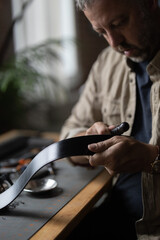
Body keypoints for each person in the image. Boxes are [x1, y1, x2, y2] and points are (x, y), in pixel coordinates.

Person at [60, 0, 160, 239]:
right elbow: (68, 132)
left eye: (118, 23)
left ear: (151, 4)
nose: (114, 42)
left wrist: (152, 158)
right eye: (101, 32)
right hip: (118, 214)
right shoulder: (107, 63)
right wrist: (89, 141)